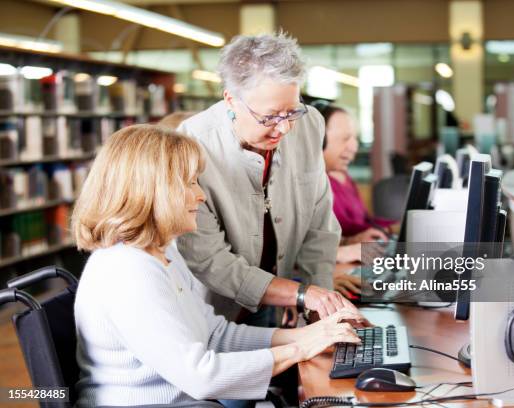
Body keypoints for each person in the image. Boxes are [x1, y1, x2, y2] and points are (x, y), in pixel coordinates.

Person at [71, 124, 363, 407]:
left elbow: (216, 335)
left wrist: (312, 334)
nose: (201, 195)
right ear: (150, 190)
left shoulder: (162, 255)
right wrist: (299, 349)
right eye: (189, 183)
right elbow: (201, 376)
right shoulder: (126, 271)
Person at [176, 32, 359, 326]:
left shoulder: (310, 123)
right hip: (216, 315)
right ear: (231, 100)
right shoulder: (190, 145)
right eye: (270, 117)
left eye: (292, 111)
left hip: (284, 296)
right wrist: (299, 294)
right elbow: (210, 261)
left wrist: (320, 304)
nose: (285, 128)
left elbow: (319, 222)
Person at [313, 102, 398, 298]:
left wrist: (352, 241)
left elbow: (356, 226)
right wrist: (346, 249)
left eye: (354, 138)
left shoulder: (343, 176)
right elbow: (297, 249)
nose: (354, 146)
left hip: (351, 261)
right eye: (345, 139)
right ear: (317, 140)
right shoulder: (305, 186)